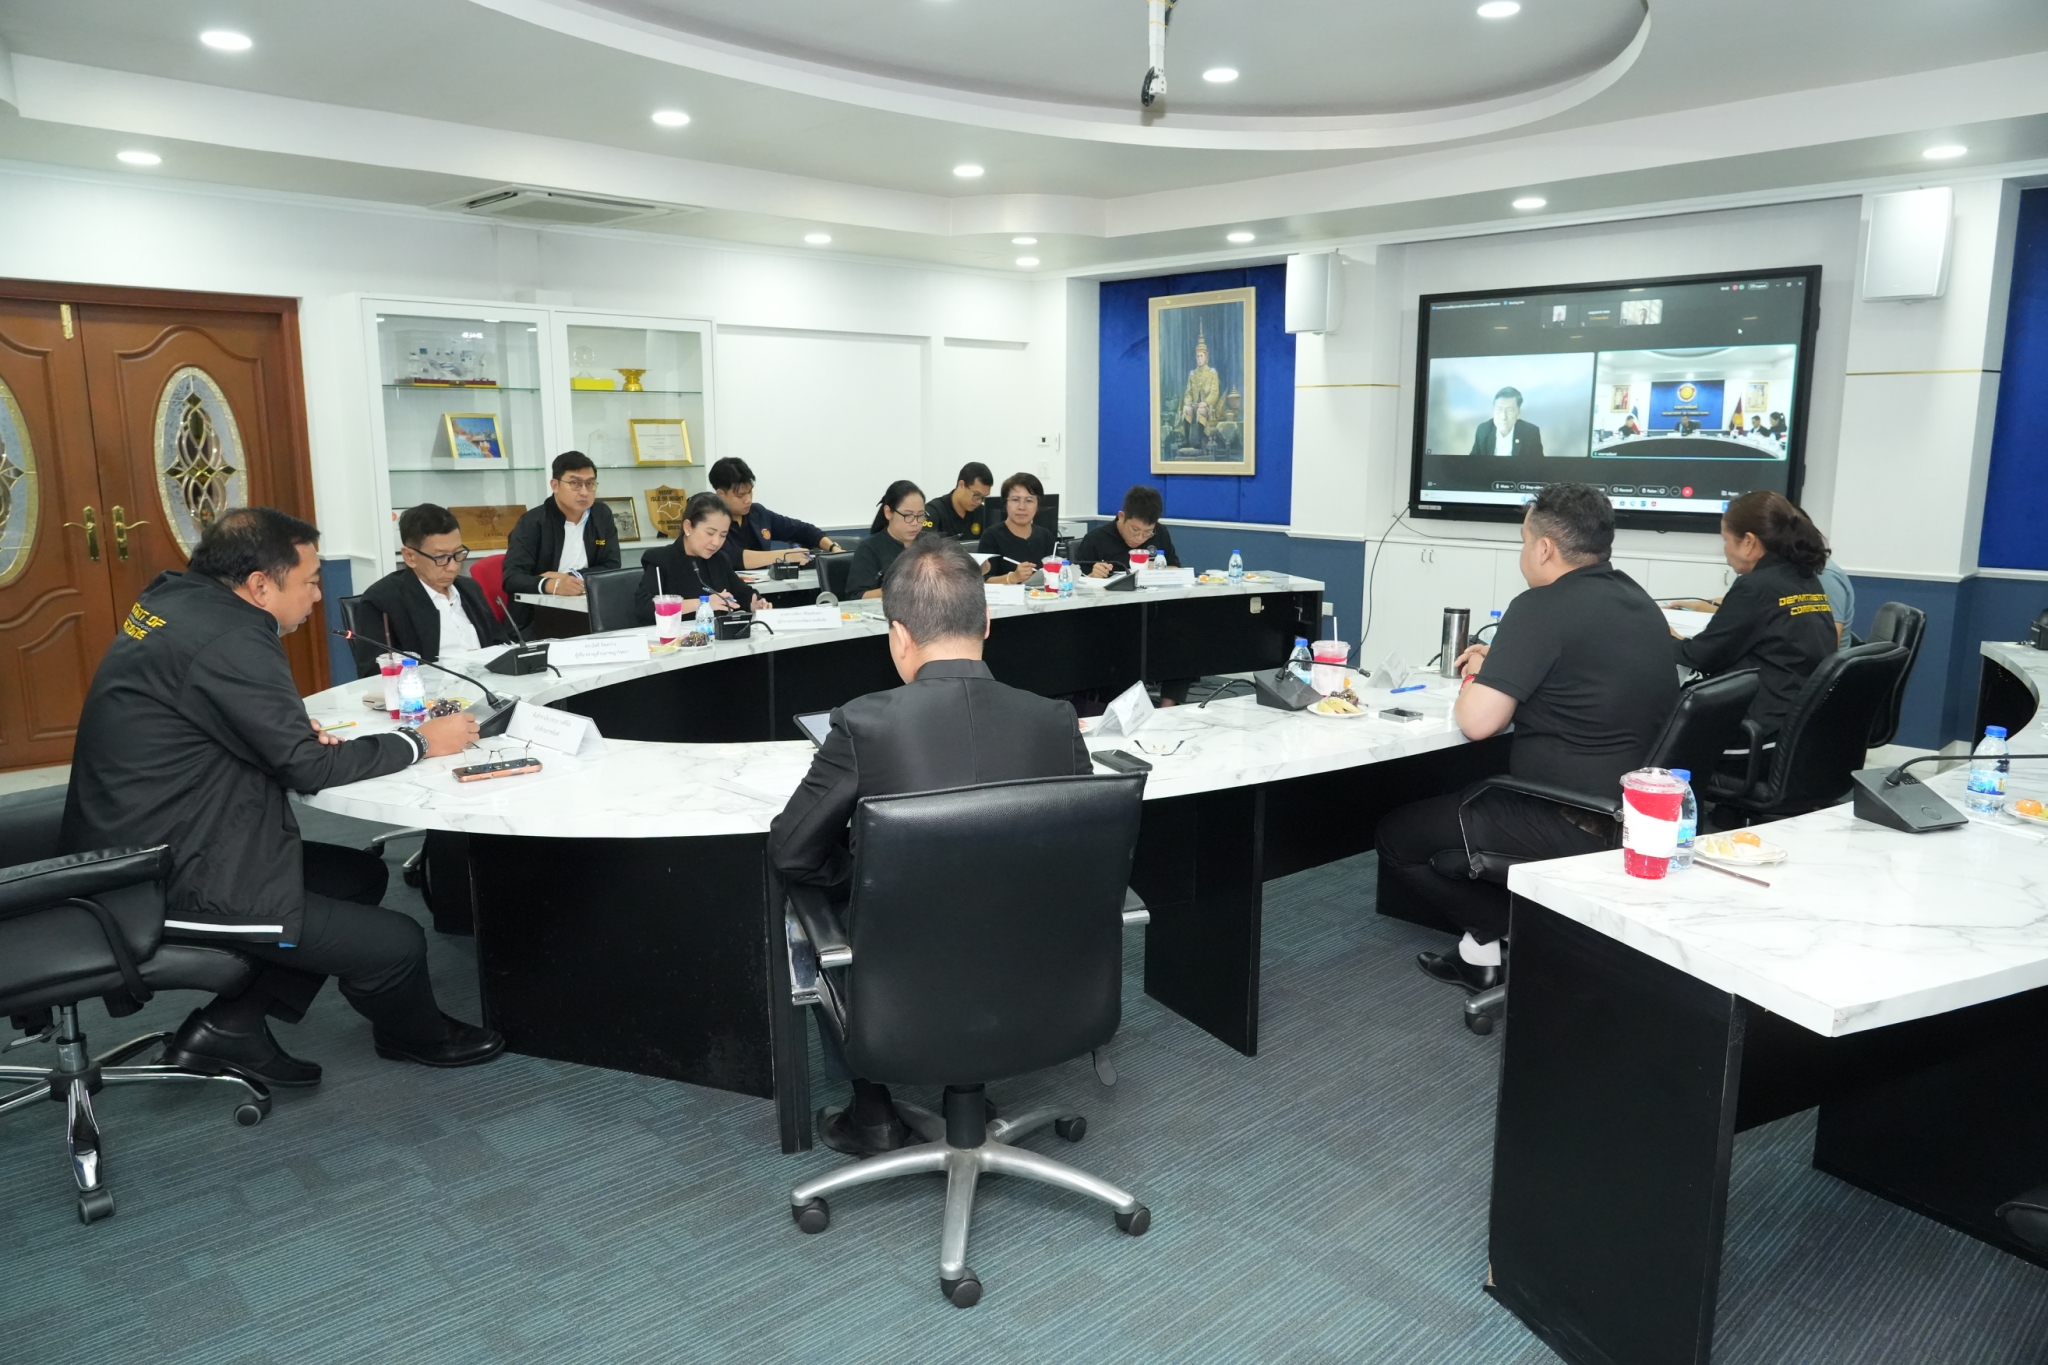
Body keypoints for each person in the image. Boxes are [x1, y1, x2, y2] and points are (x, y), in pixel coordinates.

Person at [60, 507, 504, 1087]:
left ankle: (231, 1027)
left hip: (143, 835)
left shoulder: (178, 600)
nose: (319, 595)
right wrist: (420, 741)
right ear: (260, 585)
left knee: (358, 878)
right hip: (160, 874)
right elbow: (306, 768)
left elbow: (206, 715)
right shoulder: (233, 637)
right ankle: (415, 1037)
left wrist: (278, 731)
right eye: (311, 581)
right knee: (396, 942)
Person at [768, 534, 1092, 1155]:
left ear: (898, 635)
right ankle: (966, 1081)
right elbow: (1083, 857)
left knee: (810, 898)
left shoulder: (862, 723)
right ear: (987, 622)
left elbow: (790, 852)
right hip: (1042, 979)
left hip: (906, 990)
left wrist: (863, 872)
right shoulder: (1056, 721)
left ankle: (873, 1111)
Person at [1375, 484, 1678, 992]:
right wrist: (1503, 664)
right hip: (1633, 813)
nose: (1522, 553)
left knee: (1397, 836)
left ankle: (1509, 938)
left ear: (1544, 548)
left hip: (1567, 815)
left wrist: (1478, 675)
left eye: (1522, 541)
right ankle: (1495, 945)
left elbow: (1478, 723)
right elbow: (1579, 676)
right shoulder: (1639, 601)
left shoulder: (1541, 606)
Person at [1673, 491, 1838, 741]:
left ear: (1749, 542)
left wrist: (1663, 636)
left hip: (1756, 727)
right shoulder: (1804, 577)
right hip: (1798, 722)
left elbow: (1700, 657)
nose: (1725, 549)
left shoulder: (1755, 586)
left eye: (1726, 539)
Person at [357, 503, 512, 662]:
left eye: (458, 553)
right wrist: (461, 664)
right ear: (410, 557)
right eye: (441, 557)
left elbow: (500, 644)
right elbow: (375, 670)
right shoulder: (382, 601)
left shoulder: (469, 589)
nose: (453, 567)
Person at [501, 452, 620, 629]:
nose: (584, 492)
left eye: (590, 484)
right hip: (538, 617)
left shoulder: (601, 515)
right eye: (575, 484)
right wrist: (553, 585)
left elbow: (612, 565)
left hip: (589, 610)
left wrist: (569, 578)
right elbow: (512, 578)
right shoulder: (533, 522)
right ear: (555, 485)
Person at [635, 491, 769, 621]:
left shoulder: (720, 559)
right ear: (688, 527)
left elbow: (742, 593)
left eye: (723, 535)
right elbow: (644, 607)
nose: (716, 542)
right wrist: (702, 603)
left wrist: (755, 603)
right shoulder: (660, 559)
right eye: (710, 533)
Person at [706, 456, 841, 572]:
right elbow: (734, 557)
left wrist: (833, 548)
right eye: (740, 495)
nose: (748, 500)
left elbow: (803, 530)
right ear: (720, 494)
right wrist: (784, 556)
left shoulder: (758, 513)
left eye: (750, 492)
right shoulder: (711, 523)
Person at [844, 480, 926, 598]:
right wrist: (900, 589)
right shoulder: (869, 549)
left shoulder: (930, 543)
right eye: (908, 515)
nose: (915, 523)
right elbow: (856, 596)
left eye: (920, 515)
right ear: (888, 513)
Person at [1078, 485, 1180, 577]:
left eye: (1148, 532)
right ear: (1122, 516)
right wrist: (1093, 575)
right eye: (1135, 529)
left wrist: (1159, 568)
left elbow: (1176, 569)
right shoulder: (1095, 539)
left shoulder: (1160, 533)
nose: (1140, 538)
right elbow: (1078, 581)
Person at [977, 471, 1054, 584]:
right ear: (1006, 503)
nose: (1022, 507)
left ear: (1038, 505)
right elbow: (982, 580)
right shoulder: (991, 536)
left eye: (1029, 500)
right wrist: (1013, 578)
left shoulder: (1046, 536)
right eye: (1015, 500)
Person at [1176, 329, 1224, 451]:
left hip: (1207, 406)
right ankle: (1187, 441)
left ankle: (1200, 441)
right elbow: (1188, 392)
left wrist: (1206, 402)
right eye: (1197, 356)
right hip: (1194, 404)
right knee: (1186, 409)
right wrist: (1188, 400)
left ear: (1206, 357)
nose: (1199, 359)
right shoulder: (1192, 374)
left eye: (1201, 356)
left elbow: (1215, 392)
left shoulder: (1212, 373)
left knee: (1201, 410)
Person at [924, 462, 995, 540]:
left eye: (983, 497)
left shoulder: (983, 514)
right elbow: (924, 544)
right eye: (976, 495)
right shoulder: (934, 511)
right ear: (961, 485)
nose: (979, 502)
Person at [1468, 387, 1545, 459]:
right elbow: (1472, 463)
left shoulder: (1531, 433)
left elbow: (1538, 465)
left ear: (1519, 413)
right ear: (1493, 410)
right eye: (1499, 409)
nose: (1503, 417)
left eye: (1509, 410)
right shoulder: (1483, 430)